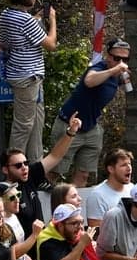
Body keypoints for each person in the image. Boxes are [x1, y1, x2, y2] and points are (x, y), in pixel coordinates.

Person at [52, 38, 130, 187]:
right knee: (56, 170)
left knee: (84, 174)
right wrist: (114, 70)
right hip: (69, 125)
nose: (121, 63)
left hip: (91, 127)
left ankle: (74, 206)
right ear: (108, 56)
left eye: (125, 59)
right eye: (116, 58)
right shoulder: (100, 68)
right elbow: (89, 80)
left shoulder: (118, 76)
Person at [0, 0, 57, 161]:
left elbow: (5, 42)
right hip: (27, 76)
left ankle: (35, 168)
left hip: (24, 74)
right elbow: (50, 44)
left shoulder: (6, 15)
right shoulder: (27, 21)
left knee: (37, 122)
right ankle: (14, 171)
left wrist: (37, 19)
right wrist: (53, 21)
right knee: (24, 124)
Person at [0, 113, 83, 239]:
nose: (24, 167)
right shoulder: (1, 192)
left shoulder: (30, 176)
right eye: (18, 165)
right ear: (5, 169)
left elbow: (55, 156)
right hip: (21, 250)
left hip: (40, 245)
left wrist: (71, 132)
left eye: (26, 163)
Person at [84, 148, 133, 228]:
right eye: (123, 165)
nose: (129, 168)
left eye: (129, 164)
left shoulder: (132, 189)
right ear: (111, 169)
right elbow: (96, 232)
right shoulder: (97, 196)